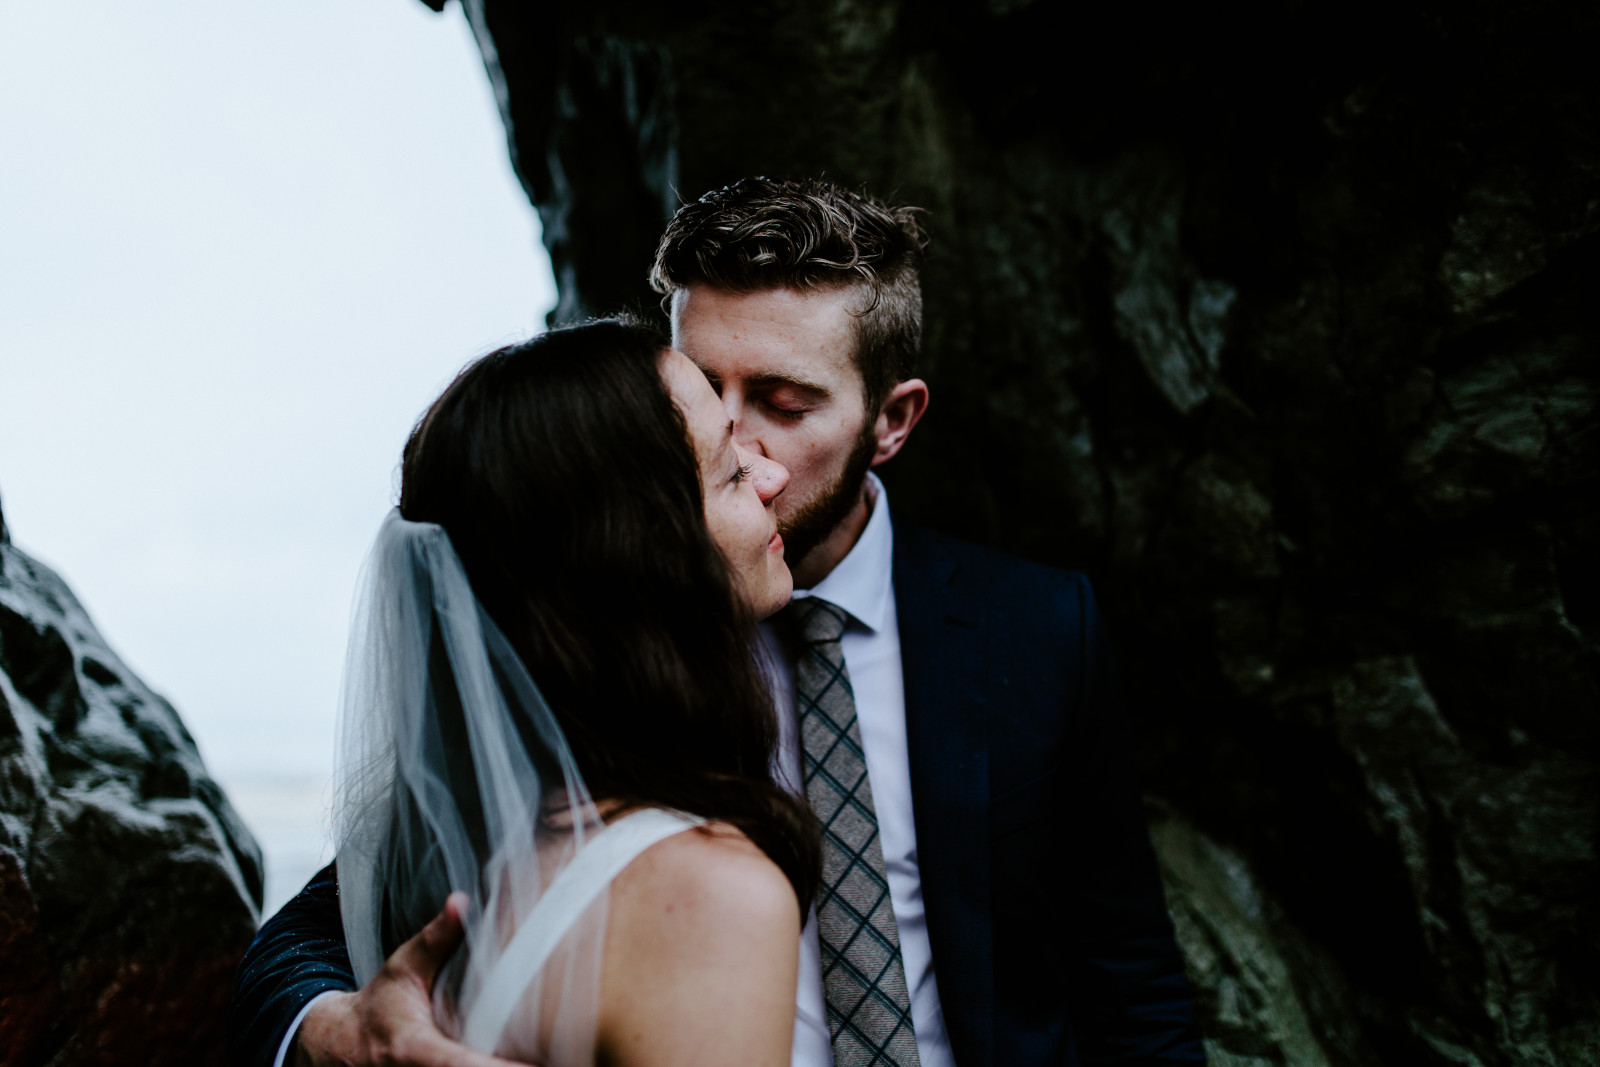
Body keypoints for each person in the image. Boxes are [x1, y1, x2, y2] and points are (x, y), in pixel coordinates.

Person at [229, 179, 1206, 1066]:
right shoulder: (585, 659)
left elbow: (1129, 975)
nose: (743, 442)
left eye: (782, 401)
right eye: (701, 390)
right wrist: (335, 1032)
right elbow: (336, 914)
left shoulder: (1037, 626)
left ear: (892, 419)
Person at [239, 317, 825, 1066]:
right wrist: (329, 1029)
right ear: (646, 559)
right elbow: (294, 943)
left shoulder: (483, 831)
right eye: (732, 472)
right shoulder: (711, 893)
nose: (770, 475)